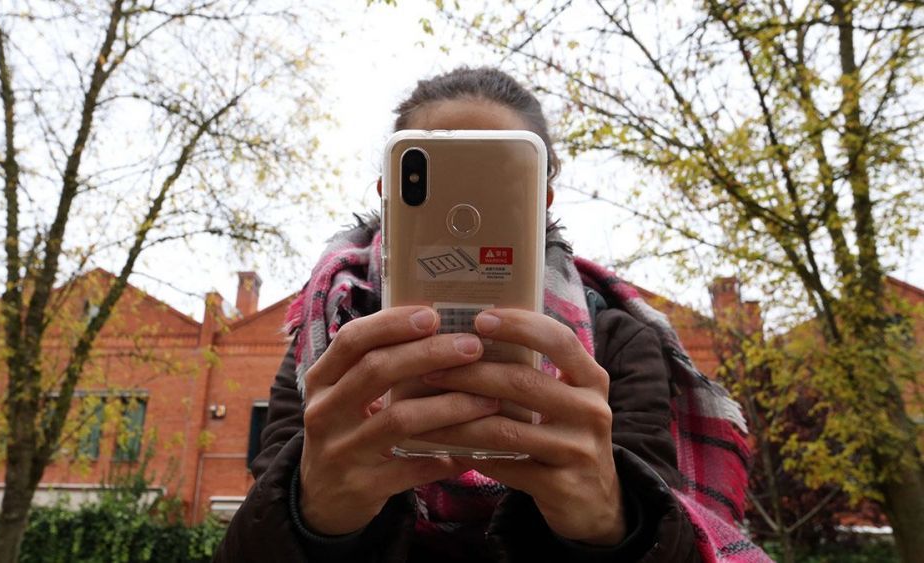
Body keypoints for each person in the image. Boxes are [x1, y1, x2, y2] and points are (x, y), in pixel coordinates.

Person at [214, 67, 768, 563]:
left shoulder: (616, 338)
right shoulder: (329, 340)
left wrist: (611, 523)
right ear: (388, 192)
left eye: (495, 179)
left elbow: (668, 522)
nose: (466, 212)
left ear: (543, 200)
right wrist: (312, 514)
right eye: (445, 175)